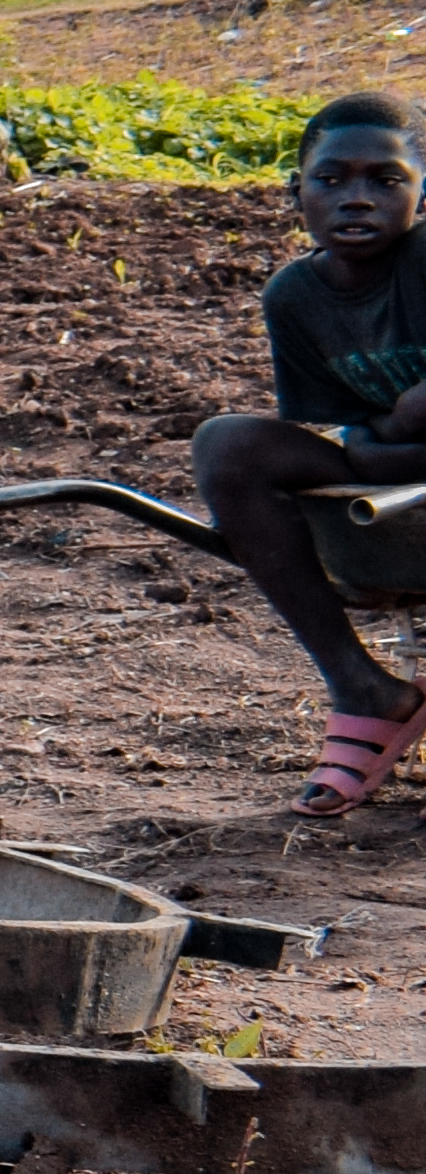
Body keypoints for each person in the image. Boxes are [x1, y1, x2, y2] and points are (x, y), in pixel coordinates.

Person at [194, 93, 426, 813]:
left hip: (390, 466)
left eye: (386, 180)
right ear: (296, 194)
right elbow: (332, 435)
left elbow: (366, 437)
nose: (357, 199)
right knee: (228, 445)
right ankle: (362, 685)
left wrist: (385, 432)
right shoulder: (295, 296)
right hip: (391, 476)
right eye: (331, 180)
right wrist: (391, 431)